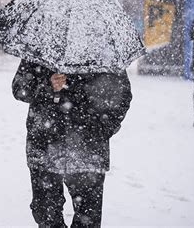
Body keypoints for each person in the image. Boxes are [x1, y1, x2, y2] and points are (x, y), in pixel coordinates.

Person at [12, 60, 132, 227]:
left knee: (88, 217)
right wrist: (48, 85)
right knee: (46, 214)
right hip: (45, 144)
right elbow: (20, 89)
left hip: (89, 148)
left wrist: (102, 129)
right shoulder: (42, 46)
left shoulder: (103, 51)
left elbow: (122, 95)